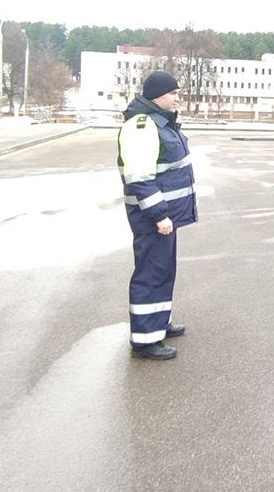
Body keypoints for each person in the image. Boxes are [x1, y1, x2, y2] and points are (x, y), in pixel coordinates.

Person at [117, 70, 197, 360]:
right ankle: (145, 341)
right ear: (157, 96)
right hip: (152, 218)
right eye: (173, 94)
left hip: (164, 217)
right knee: (151, 274)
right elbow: (140, 178)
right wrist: (159, 215)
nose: (177, 99)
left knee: (162, 271)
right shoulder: (142, 126)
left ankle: (158, 323)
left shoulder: (160, 122)